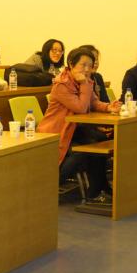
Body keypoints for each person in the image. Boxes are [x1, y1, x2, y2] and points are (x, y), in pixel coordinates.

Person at [38, 47, 121, 204]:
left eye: (90, 65)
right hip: (57, 131)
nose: (87, 69)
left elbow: (93, 102)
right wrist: (84, 83)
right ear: (71, 64)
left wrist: (109, 107)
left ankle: (100, 188)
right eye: (83, 65)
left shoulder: (85, 80)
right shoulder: (62, 85)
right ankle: (51, 185)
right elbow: (81, 108)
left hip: (75, 128)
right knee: (85, 151)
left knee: (100, 139)